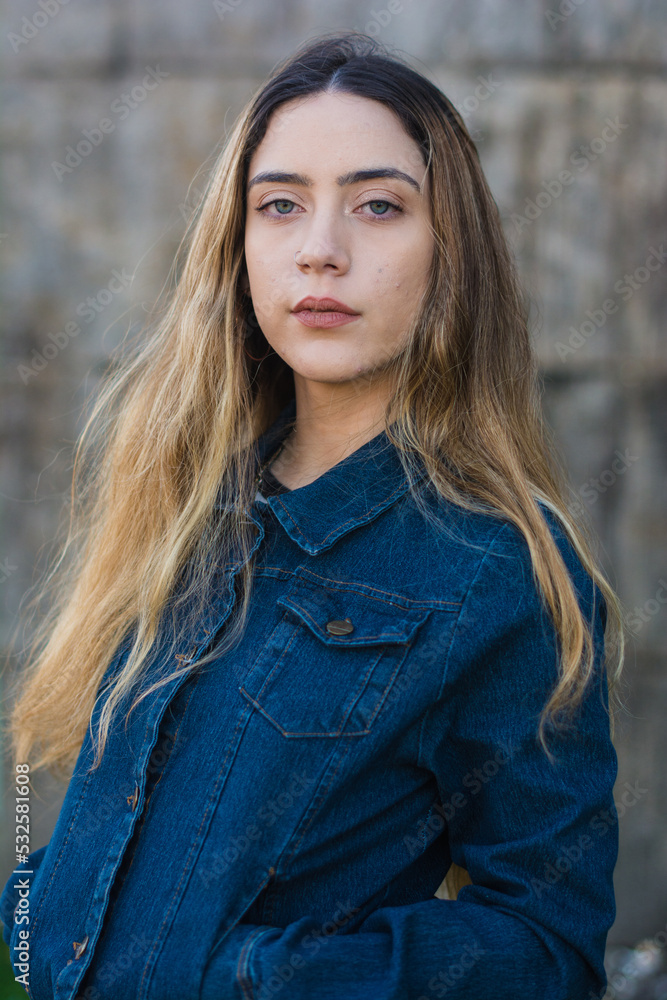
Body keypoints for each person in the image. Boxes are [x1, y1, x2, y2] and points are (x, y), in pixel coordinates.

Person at [0, 30, 626, 1000]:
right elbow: (86, 824)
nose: (320, 250)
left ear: (448, 251)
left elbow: (547, 946)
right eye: (280, 204)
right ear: (239, 243)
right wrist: (29, 922)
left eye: (378, 206)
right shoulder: (177, 502)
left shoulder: (498, 569)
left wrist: (256, 978)